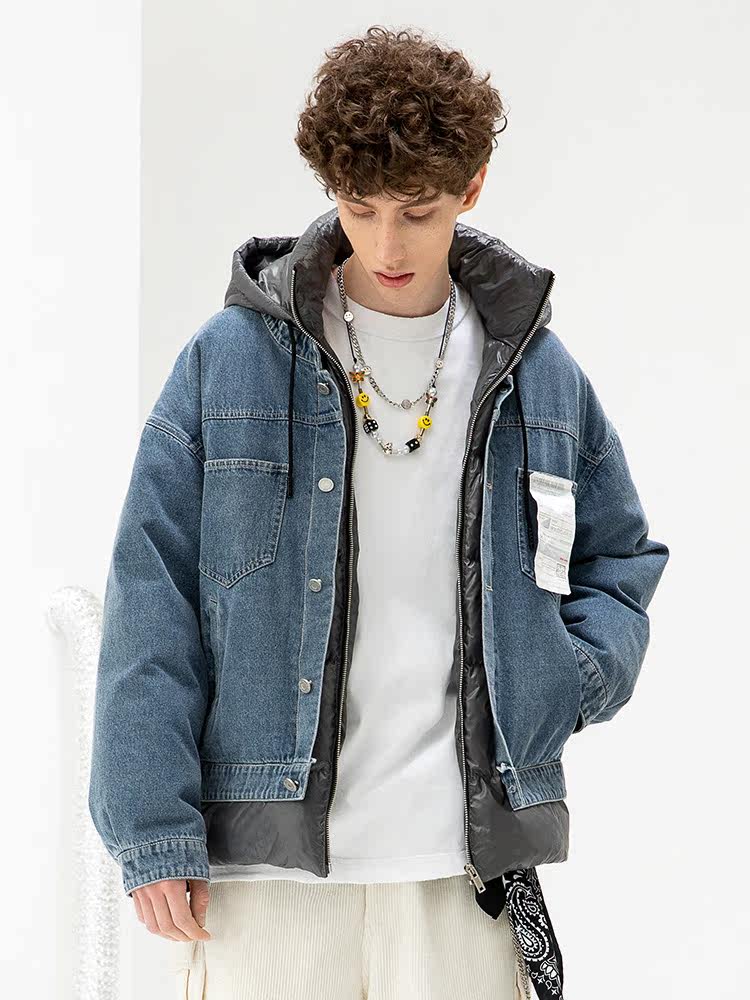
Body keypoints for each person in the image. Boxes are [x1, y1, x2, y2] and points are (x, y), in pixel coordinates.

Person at [88, 25, 670, 1000]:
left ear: (472, 187)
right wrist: (150, 826)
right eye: (359, 208)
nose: (388, 244)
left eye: (418, 210)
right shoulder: (230, 361)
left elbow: (620, 559)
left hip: (459, 870)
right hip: (264, 880)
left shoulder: (536, 375)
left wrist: (559, 678)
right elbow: (153, 590)